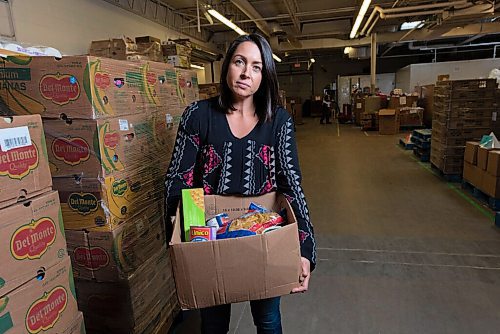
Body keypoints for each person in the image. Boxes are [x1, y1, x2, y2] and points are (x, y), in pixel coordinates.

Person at [164, 33, 316, 334]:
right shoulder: (198, 116)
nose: (247, 72)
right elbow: (180, 181)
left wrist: (304, 249)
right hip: (210, 238)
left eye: (257, 67)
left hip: (264, 238)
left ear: (265, 75)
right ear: (227, 67)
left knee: (268, 320)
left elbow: (291, 185)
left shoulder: (279, 122)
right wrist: (186, 247)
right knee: (214, 323)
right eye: (239, 62)